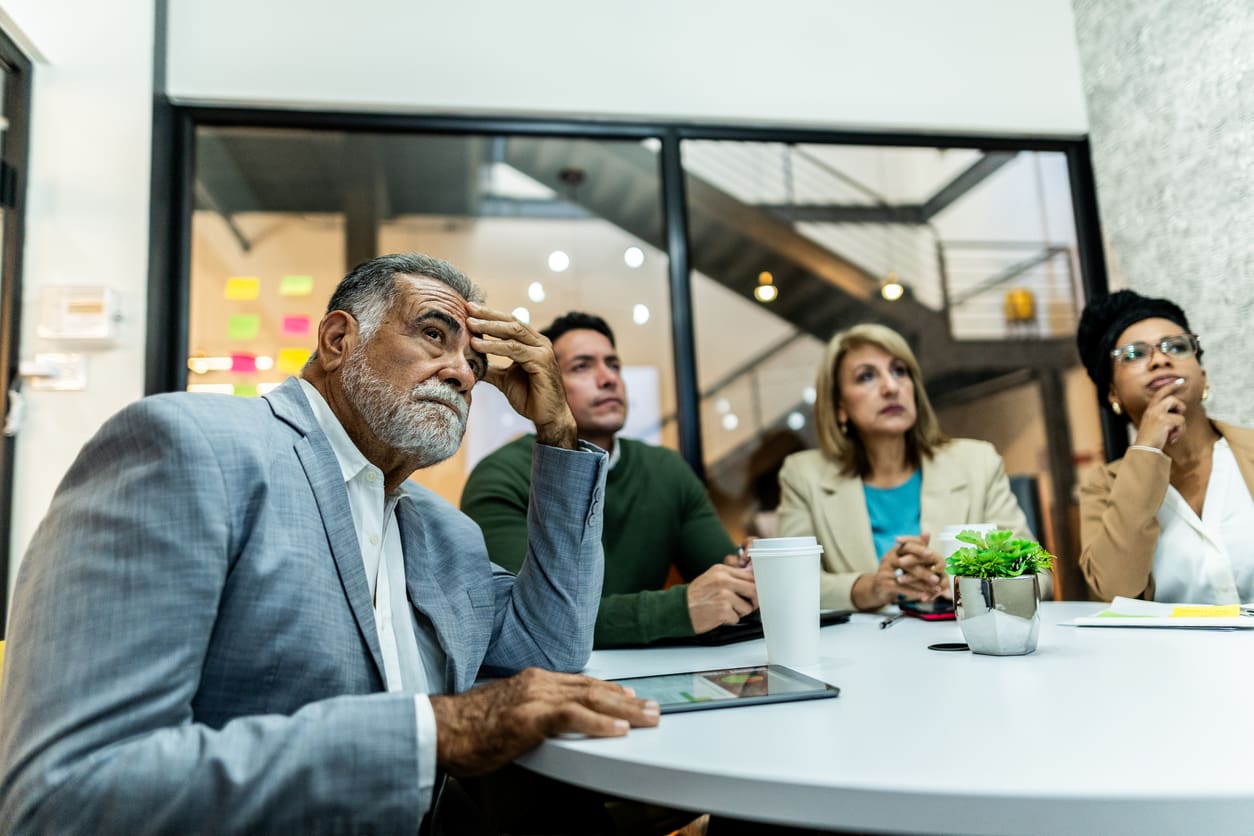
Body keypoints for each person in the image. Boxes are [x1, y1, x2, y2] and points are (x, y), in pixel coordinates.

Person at [0, 254, 659, 835]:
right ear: (340, 339)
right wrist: (438, 732)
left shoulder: (445, 532)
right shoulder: (189, 448)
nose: (462, 372)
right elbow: (65, 798)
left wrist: (559, 436)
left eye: (477, 361)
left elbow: (550, 649)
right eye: (435, 334)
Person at [462, 311, 757, 648]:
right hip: (549, 680)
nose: (608, 378)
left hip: (656, 671)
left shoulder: (665, 469)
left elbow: (726, 588)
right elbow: (525, 623)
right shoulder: (500, 476)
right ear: (543, 382)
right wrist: (677, 610)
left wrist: (749, 573)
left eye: (613, 364)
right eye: (582, 366)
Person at [777, 323, 1034, 612]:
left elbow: (1037, 574)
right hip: (860, 652)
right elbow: (789, 585)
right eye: (866, 377)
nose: (891, 387)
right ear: (840, 408)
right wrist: (873, 586)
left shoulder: (978, 462)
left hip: (959, 647)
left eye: (899, 371)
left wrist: (954, 580)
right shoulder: (803, 475)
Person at [1075, 289, 1254, 603]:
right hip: (1174, 653)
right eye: (1134, 354)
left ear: (1203, 375)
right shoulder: (1103, 489)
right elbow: (1116, 592)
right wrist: (1146, 450)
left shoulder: (1247, 451)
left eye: (1176, 347)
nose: (1159, 359)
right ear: (1112, 393)